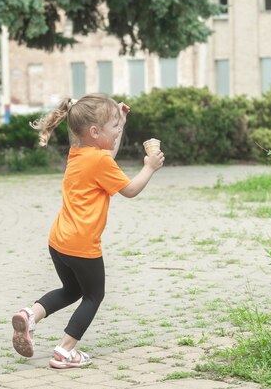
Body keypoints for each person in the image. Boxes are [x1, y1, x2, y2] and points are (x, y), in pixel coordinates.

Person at [11, 94, 164, 368]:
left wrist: (121, 120)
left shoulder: (79, 153)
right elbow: (129, 190)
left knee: (71, 289)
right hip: (82, 245)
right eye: (114, 127)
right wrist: (149, 167)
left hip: (58, 241)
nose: (118, 132)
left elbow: (106, 153)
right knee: (94, 295)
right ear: (95, 132)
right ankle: (65, 351)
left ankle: (30, 315)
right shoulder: (100, 162)